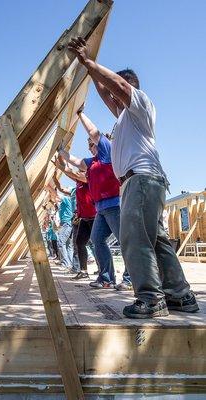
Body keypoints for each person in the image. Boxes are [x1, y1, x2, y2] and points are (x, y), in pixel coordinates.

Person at [67, 36, 199, 317]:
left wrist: (89, 61)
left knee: (134, 238)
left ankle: (151, 299)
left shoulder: (140, 104)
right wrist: (89, 70)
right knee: (157, 241)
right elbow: (107, 93)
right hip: (142, 181)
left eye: (116, 91)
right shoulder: (125, 117)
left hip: (141, 179)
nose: (112, 97)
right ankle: (180, 295)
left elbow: (119, 86)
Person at [59, 112, 131, 289]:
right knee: (97, 239)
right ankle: (106, 278)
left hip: (114, 205)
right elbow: (75, 161)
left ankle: (129, 279)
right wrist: (60, 151)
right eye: (89, 145)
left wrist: (79, 114)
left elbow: (93, 131)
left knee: (125, 241)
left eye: (92, 144)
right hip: (101, 209)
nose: (90, 146)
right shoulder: (92, 162)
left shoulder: (107, 153)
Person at [53, 156, 97, 280]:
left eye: (80, 170)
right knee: (79, 243)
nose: (77, 172)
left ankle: (106, 274)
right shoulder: (78, 184)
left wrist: (60, 166)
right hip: (83, 217)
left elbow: (71, 173)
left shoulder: (88, 178)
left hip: (94, 216)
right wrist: (60, 164)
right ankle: (83, 271)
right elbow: (69, 174)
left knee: (96, 244)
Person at [53, 170, 80, 274]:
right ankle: (72, 266)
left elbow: (57, 194)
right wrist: (54, 179)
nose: (66, 189)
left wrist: (49, 187)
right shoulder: (73, 192)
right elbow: (59, 190)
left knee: (61, 242)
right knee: (71, 245)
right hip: (73, 221)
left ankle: (67, 264)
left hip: (71, 221)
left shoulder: (66, 199)